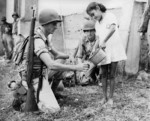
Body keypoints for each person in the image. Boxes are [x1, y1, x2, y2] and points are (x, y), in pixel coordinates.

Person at [18, 9, 89, 113]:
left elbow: (56, 55)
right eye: (54, 24)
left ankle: (49, 94)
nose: (56, 27)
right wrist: (76, 68)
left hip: (42, 74)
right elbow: (51, 65)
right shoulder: (38, 41)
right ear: (46, 24)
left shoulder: (44, 37)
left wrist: (70, 57)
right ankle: (23, 96)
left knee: (60, 86)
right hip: (33, 78)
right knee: (54, 110)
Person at [86, 2, 127, 107]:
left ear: (98, 8)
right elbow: (98, 38)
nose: (93, 17)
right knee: (103, 74)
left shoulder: (110, 16)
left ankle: (111, 98)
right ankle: (104, 97)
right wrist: (94, 47)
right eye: (91, 16)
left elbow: (113, 29)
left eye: (93, 14)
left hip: (113, 48)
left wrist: (104, 41)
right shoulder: (97, 23)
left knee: (112, 75)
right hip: (103, 51)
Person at [76, 20, 100, 85]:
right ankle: (92, 77)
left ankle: (100, 77)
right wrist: (81, 67)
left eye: (91, 31)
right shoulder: (82, 39)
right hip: (88, 63)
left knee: (100, 64)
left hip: (98, 62)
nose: (89, 33)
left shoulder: (99, 38)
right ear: (84, 32)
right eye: (87, 31)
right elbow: (79, 56)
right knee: (83, 82)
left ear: (95, 31)